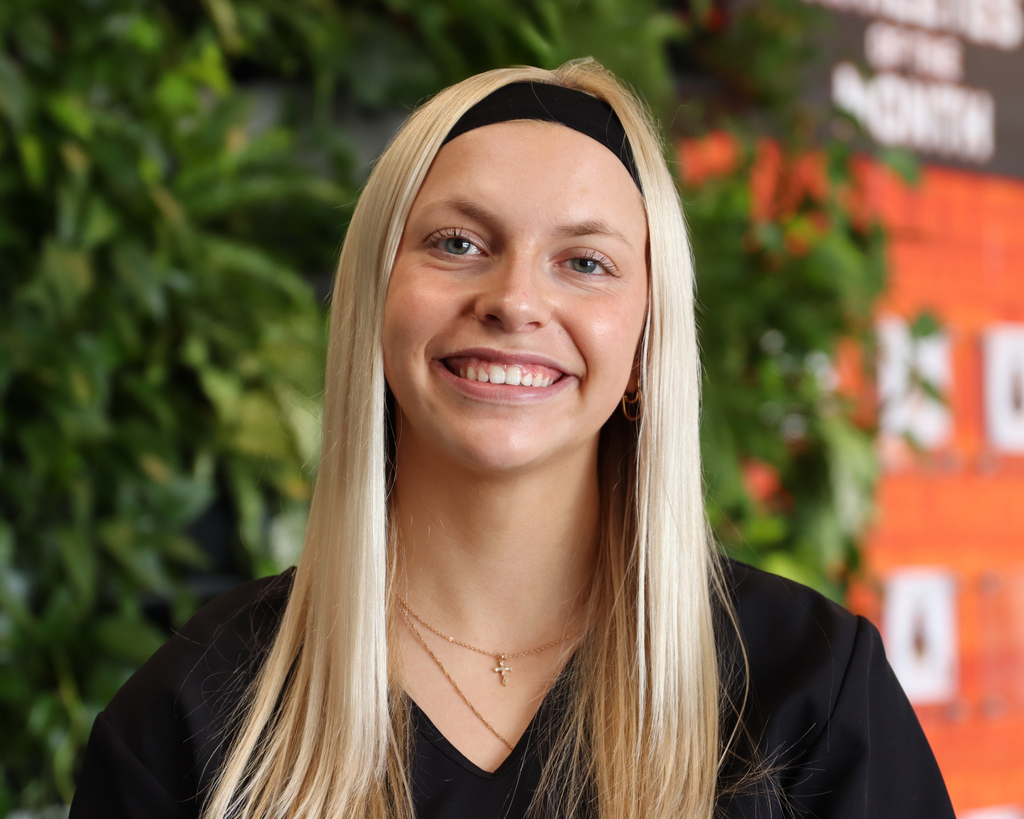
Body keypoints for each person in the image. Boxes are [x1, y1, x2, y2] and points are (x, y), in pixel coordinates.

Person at [69, 60, 955, 819]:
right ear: (374, 306)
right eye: (457, 242)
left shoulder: (809, 696)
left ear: (646, 345)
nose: (515, 300)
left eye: (585, 262)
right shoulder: (199, 713)